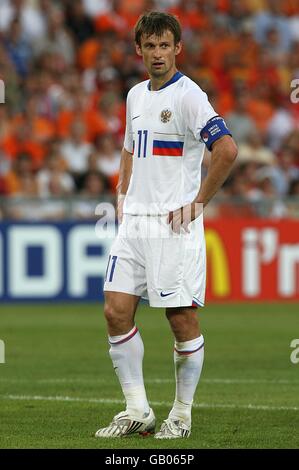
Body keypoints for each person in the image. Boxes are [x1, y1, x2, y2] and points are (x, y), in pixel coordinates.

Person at [95, 11, 238, 439]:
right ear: (138, 50)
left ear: (177, 48)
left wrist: (197, 204)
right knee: (114, 310)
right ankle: (137, 409)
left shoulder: (190, 96)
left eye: (164, 45)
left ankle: (181, 413)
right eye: (149, 45)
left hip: (173, 227)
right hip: (135, 223)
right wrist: (122, 193)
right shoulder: (135, 95)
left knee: (180, 320)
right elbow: (128, 146)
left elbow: (227, 150)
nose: (157, 53)